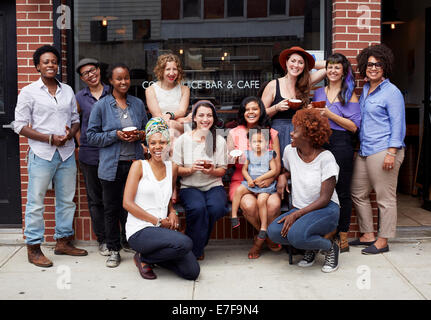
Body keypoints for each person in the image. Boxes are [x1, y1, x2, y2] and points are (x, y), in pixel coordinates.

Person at [14, 45, 87, 268]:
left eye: (54, 61)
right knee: (35, 202)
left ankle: (63, 242)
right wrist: (48, 138)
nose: (50, 65)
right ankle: (34, 248)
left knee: (66, 200)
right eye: (45, 62)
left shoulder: (67, 90)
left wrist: (70, 135)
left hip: (65, 153)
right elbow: (18, 125)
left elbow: (75, 120)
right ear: (38, 66)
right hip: (42, 154)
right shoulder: (29, 91)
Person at [87, 63, 148, 268]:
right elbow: (91, 136)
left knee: (132, 208)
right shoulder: (101, 106)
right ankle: (114, 249)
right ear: (111, 81)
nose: (123, 82)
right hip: (111, 166)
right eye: (119, 79)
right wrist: (115, 135)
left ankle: (129, 241)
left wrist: (140, 135)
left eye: (126, 78)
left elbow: (146, 130)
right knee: (111, 209)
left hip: (134, 165)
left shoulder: (138, 103)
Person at [123, 118, 200, 280]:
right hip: (140, 230)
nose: (158, 147)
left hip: (161, 230)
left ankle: (152, 258)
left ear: (168, 144)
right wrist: (157, 221)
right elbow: (127, 203)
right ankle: (143, 257)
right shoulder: (139, 166)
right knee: (185, 243)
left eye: (162, 142)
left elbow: (166, 197)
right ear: (147, 146)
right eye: (153, 143)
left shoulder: (172, 168)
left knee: (192, 272)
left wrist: (172, 212)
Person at [267, 108, 341, 273]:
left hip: (326, 209)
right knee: (273, 232)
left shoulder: (326, 158)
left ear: (308, 136)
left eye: (296, 131)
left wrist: (296, 214)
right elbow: (288, 169)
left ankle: (330, 247)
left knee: (296, 236)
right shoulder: (289, 151)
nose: (291, 134)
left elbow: (324, 198)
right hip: (301, 209)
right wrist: (283, 176)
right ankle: (310, 246)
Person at [349, 44, 406, 255]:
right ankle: (367, 234)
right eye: (370, 64)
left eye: (378, 64)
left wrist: (392, 152)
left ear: (385, 66)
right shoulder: (365, 89)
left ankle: (383, 240)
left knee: (385, 198)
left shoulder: (392, 92)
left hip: (384, 149)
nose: (373, 68)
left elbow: (398, 124)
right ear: (364, 66)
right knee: (358, 192)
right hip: (365, 150)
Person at [310, 53, 361, 253]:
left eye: (337, 68)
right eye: (329, 67)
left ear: (343, 71)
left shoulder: (349, 94)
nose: (332, 71)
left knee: (342, 190)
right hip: (322, 142)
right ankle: (326, 231)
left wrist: (330, 114)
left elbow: (354, 127)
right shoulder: (318, 93)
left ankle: (343, 235)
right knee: (322, 189)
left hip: (342, 143)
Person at [227, 96, 282, 259]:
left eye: (255, 109)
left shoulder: (271, 133)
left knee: (272, 205)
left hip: (267, 181)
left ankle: (261, 238)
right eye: (247, 109)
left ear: (261, 111)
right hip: (242, 181)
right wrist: (232, 159)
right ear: (243, 112)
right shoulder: (234, 132)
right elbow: (228, 161)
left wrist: (271, 179)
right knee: (250, 205)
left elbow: (277, 164)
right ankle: (266, 236)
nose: (251, 112)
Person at [172, 100, 228, 260]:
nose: (205, 119)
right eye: (201, 115)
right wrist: (190, 169)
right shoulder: (183, 140)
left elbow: (222, 170)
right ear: (194, 118)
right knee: (197, 208)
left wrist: (212, 171)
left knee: (216, 208)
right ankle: (196, 250)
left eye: (209, 115)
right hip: (189, 186)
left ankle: (192, 238)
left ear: (214, 118)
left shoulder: (219, 140)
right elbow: (176, 169)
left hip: (213, 185)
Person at [75, 58, 111, 256]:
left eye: (93, 70)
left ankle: (119, 237)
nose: (91, 74)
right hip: (90, 154)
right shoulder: (79, 98)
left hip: (113, 151)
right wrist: (81, 143)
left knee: (114, 196)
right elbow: (74, 122)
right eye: (85, 73)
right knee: (96, 199)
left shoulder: (112, 92)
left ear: (99, 70)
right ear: (82, 78)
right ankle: (103, 239)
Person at [261, 46, 327, 154]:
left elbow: (329, 66)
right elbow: (260, 114)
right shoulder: (273, 85)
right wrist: (276, 108)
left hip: (300, 135)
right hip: (278, 134)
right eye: (293, 61)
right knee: (280, 168)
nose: (296, 65)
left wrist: (308, 64)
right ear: (286, 62)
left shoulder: (305, 84)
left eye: (300, 62)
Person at [230, 128, 278, 246]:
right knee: (239, 190)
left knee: (261, 200)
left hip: (264, 185)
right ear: (250, 143)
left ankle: (263, 228)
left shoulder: (269, 155)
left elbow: (274, 170)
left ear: (266, 143)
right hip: (252, 183)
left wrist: (261, 178)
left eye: (260, 141)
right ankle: (234, 216)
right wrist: (249, 179)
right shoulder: (249, 154)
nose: (257, 144)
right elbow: (244, 170)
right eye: (254, 142)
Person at [145, 53, 191, 136]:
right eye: (168, 69)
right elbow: (158, 116)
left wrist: (169, 115)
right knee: (176, 124)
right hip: (159, 133)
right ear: (161, 71)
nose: (172, 73)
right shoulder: (150, 90)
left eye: (175, 69)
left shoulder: (185, 89)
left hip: (179, 133)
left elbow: (182, 111)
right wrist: (179, 120)